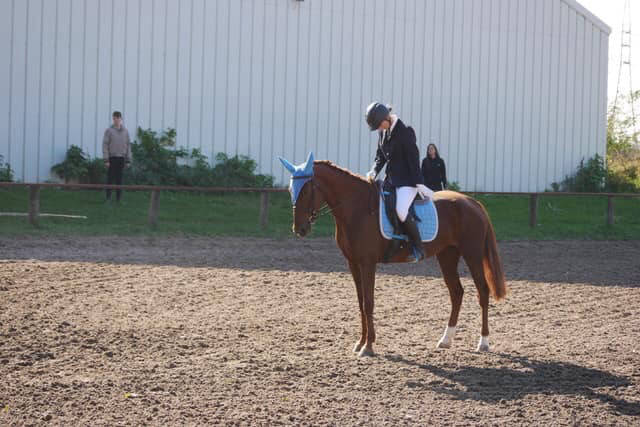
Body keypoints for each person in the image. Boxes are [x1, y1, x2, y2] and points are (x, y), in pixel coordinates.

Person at [365, 102, 433, 262]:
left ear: (386, 118)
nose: (379, 129)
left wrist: (418, 182)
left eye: (379, 125)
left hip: (408, 181)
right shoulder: (383, 133)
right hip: (391, 180)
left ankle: (419, 248)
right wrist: (374, 171)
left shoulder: (405, 132)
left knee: (401, 211)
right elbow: (380, 156)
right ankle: (396, 237)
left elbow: (413, 158)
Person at [102, 111, 131, 203]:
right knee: (110, 179)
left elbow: (128, 145)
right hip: (112, 158)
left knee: (120, 180)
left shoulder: (125, 131)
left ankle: (119, 199)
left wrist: (128, 160)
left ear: (121, 119)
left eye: (118, 118)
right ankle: (108, 198)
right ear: (113, 119)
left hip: (121, 158)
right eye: (115, 118)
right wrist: (106, 159)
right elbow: (105, 145)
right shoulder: (109, 131)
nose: (116, 120)